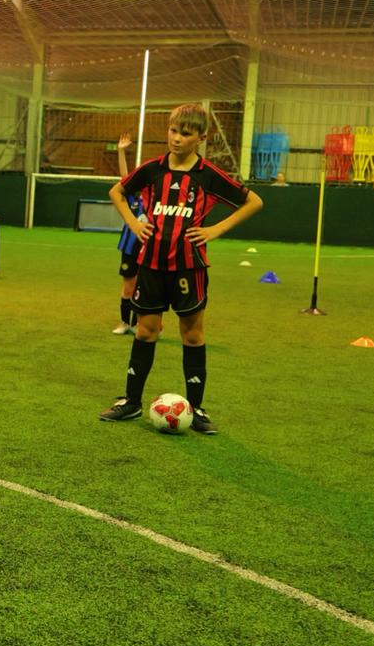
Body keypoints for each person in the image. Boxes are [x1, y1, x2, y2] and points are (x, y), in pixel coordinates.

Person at [98, 104, 262, 434]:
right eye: (173, 131)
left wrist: (214, 230)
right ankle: (131, 402)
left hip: (190, 266)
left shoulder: (208, 176)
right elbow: (117, 191)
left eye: (185, 134)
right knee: (146, 330)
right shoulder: (152, 169)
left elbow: (254, 201)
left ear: (201, 138)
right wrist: (133, 223)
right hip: (152, 264)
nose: (176, 138)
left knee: (192, 334)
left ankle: (197, 408)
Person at [112, 132, 146, 335]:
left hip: (148, 248)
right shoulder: (132, 197)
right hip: (129, 247)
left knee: (143, 287)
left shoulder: (156, 200)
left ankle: (137, 324)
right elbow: (124, 178)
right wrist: (121, 152)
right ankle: (124, 322)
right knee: (128, 286)